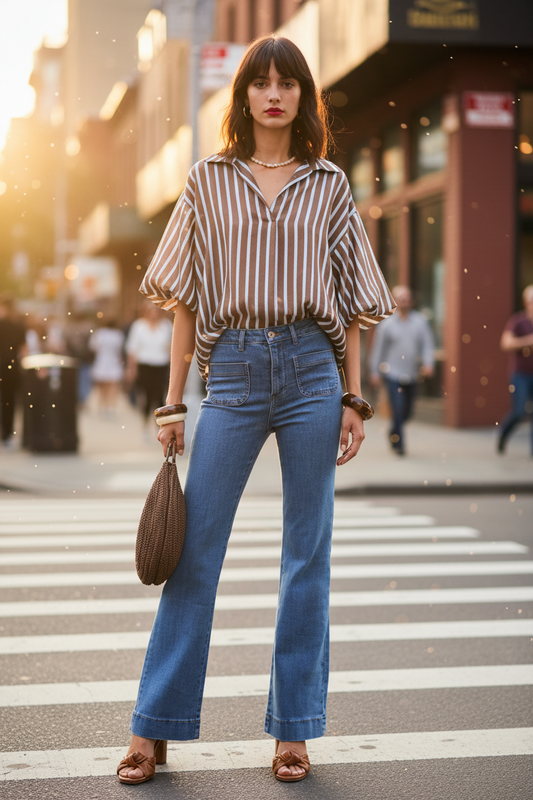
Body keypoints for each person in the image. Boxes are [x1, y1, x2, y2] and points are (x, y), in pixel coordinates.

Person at [116, 35, 395, 787]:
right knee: (193, 556)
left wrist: (351, 398)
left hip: (311, 369)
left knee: (307, 557)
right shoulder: (207, 180)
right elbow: (182, 300)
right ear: (241, 96)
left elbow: (354, 307)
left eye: (288, 82)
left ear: (304, 97)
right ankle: (154, 728)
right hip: (232, 370)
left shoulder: (330, 184)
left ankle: (293, 732)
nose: (274, 93)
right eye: (260, 82)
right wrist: (172, 403)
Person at [369, 285, 434, 456]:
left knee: (408, 411)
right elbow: (378, 350)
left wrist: (428, 364)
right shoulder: (387, 324)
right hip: (392, 373)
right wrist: (375, 372)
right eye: (401, 298)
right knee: (397, 408)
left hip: (412, 374)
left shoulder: (420, 322)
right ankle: (400, 446)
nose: (404, 301)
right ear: (396, 301)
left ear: (411, 301)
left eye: (407, 298)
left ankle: (394, 431)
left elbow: (427, 345)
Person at [497, 284, 533, 455]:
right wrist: (528, 341)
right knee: (519, 411)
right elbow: (506, 343)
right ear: (527, 302)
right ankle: (503, 435)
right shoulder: (518, 321)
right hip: (520, 375)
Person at [125, 301, 172, 426]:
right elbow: (132, 350)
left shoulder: (166, 326)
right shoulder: (138, 326)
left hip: (161, 365)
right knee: (146, 395)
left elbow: (170, 347)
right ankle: (145, 423)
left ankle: (160, 424)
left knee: (160, 395)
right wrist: (131, 369)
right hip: (144, 364)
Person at [0, 293, 26, 448]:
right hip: (11, 368)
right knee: (9, 402)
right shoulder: (18, 325)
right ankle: (7, 435)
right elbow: (23, 350)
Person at [88, 319, 125, 415]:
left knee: (102, 388)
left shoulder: (99, 334)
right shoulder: (118, 335)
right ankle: (110, 407)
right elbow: (119, 349)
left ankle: (103, 406)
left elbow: (92, 347)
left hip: (101, 362)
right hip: (114, 362)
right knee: (113, 387)